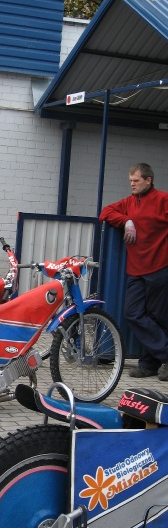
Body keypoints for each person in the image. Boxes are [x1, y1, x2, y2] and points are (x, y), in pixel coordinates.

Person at [99, 162, 168, 381]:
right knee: (133, 313)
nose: (132, 184)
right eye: (130, 181)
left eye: (136, 180)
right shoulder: (129, 202)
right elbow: (105, 212)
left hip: (160, 267)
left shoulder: (163, 200)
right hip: (136, 269)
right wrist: (126, 220)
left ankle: (148, 365)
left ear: (148, 180)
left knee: (158, 317)